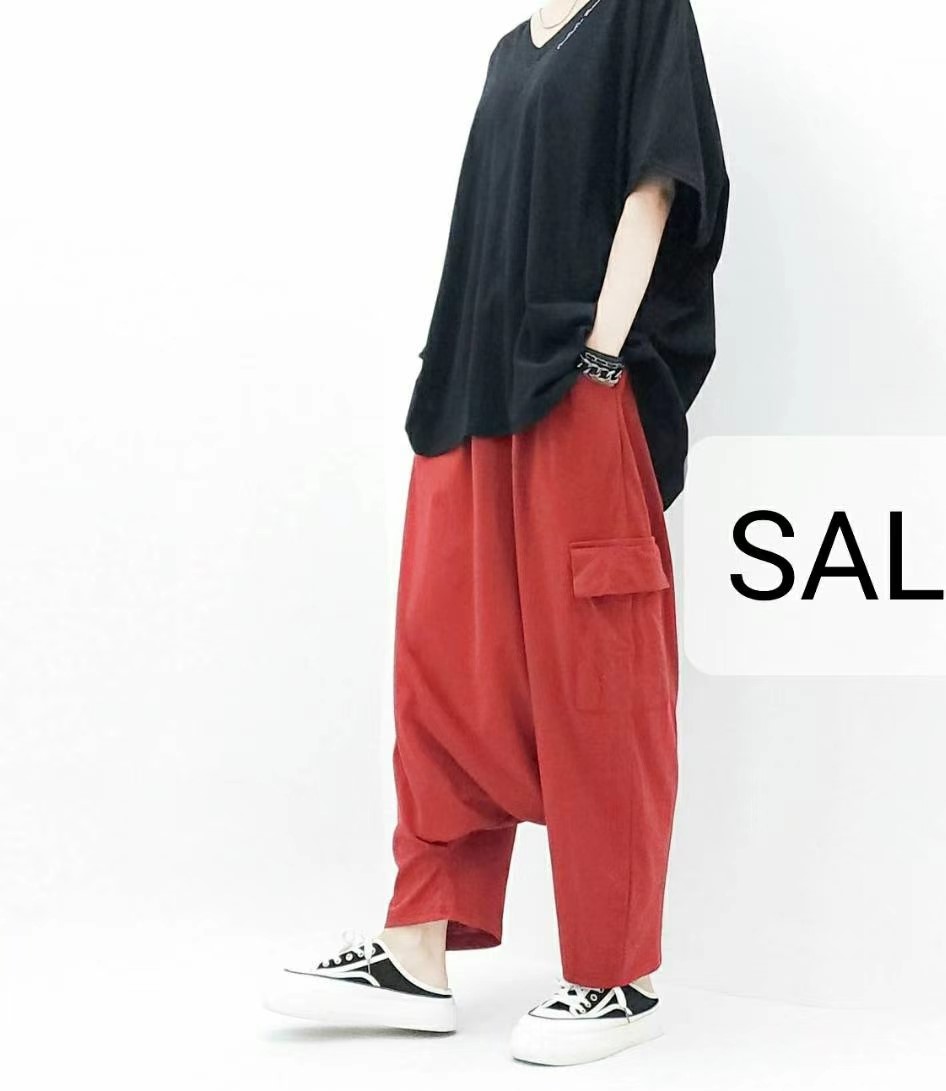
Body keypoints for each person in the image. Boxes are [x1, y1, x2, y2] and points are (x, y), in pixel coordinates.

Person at [263, 0, 728, 1066]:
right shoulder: (509, 50)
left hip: (574, 388)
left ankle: (616, 974)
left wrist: (601, 353)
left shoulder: (641, 14)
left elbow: (658, 183)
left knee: (596, 675)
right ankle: (415, 950)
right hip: (469, 397)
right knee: (442, 671)